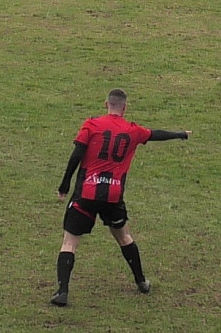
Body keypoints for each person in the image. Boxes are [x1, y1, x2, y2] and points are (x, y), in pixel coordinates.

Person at [50, 88, 191, 308]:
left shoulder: (92, 125)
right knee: (124, 237)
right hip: (113, 196)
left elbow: (76, 155)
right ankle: (141, 281)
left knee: (69, 242)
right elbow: (155, 134)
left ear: (106, 104)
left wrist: (64, 184)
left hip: (86, 193)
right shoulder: (133, 131)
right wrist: (180, 133)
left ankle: (62, 292)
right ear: (124, 107)